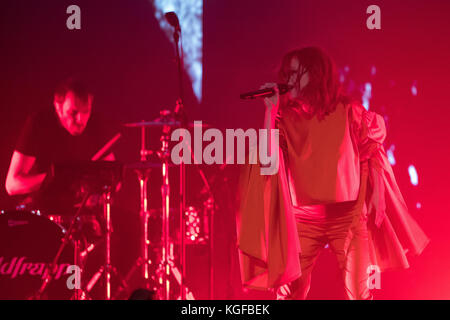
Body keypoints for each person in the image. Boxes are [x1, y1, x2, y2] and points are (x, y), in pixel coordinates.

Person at [237, 47, 429, 300]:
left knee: (359, 294)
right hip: (302, 221)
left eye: (296, 73)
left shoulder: (349, 111)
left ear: (316, 75)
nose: (289, 79)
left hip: (347, 219)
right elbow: (267, 161)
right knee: (287, 294)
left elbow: (370, 154)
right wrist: (269, 113)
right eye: (287, 73)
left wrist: (376, 197)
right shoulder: (284, 118)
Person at [5, 77, 119, 236]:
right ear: (58, 107)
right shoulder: (39, 124)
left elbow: (112, 178)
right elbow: (12, 185)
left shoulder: (95, 125)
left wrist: (99, 193)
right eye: (73, 112)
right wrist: (54, 179)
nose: (81, 120)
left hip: (83, 220)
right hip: (44, 221)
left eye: (86, 112)